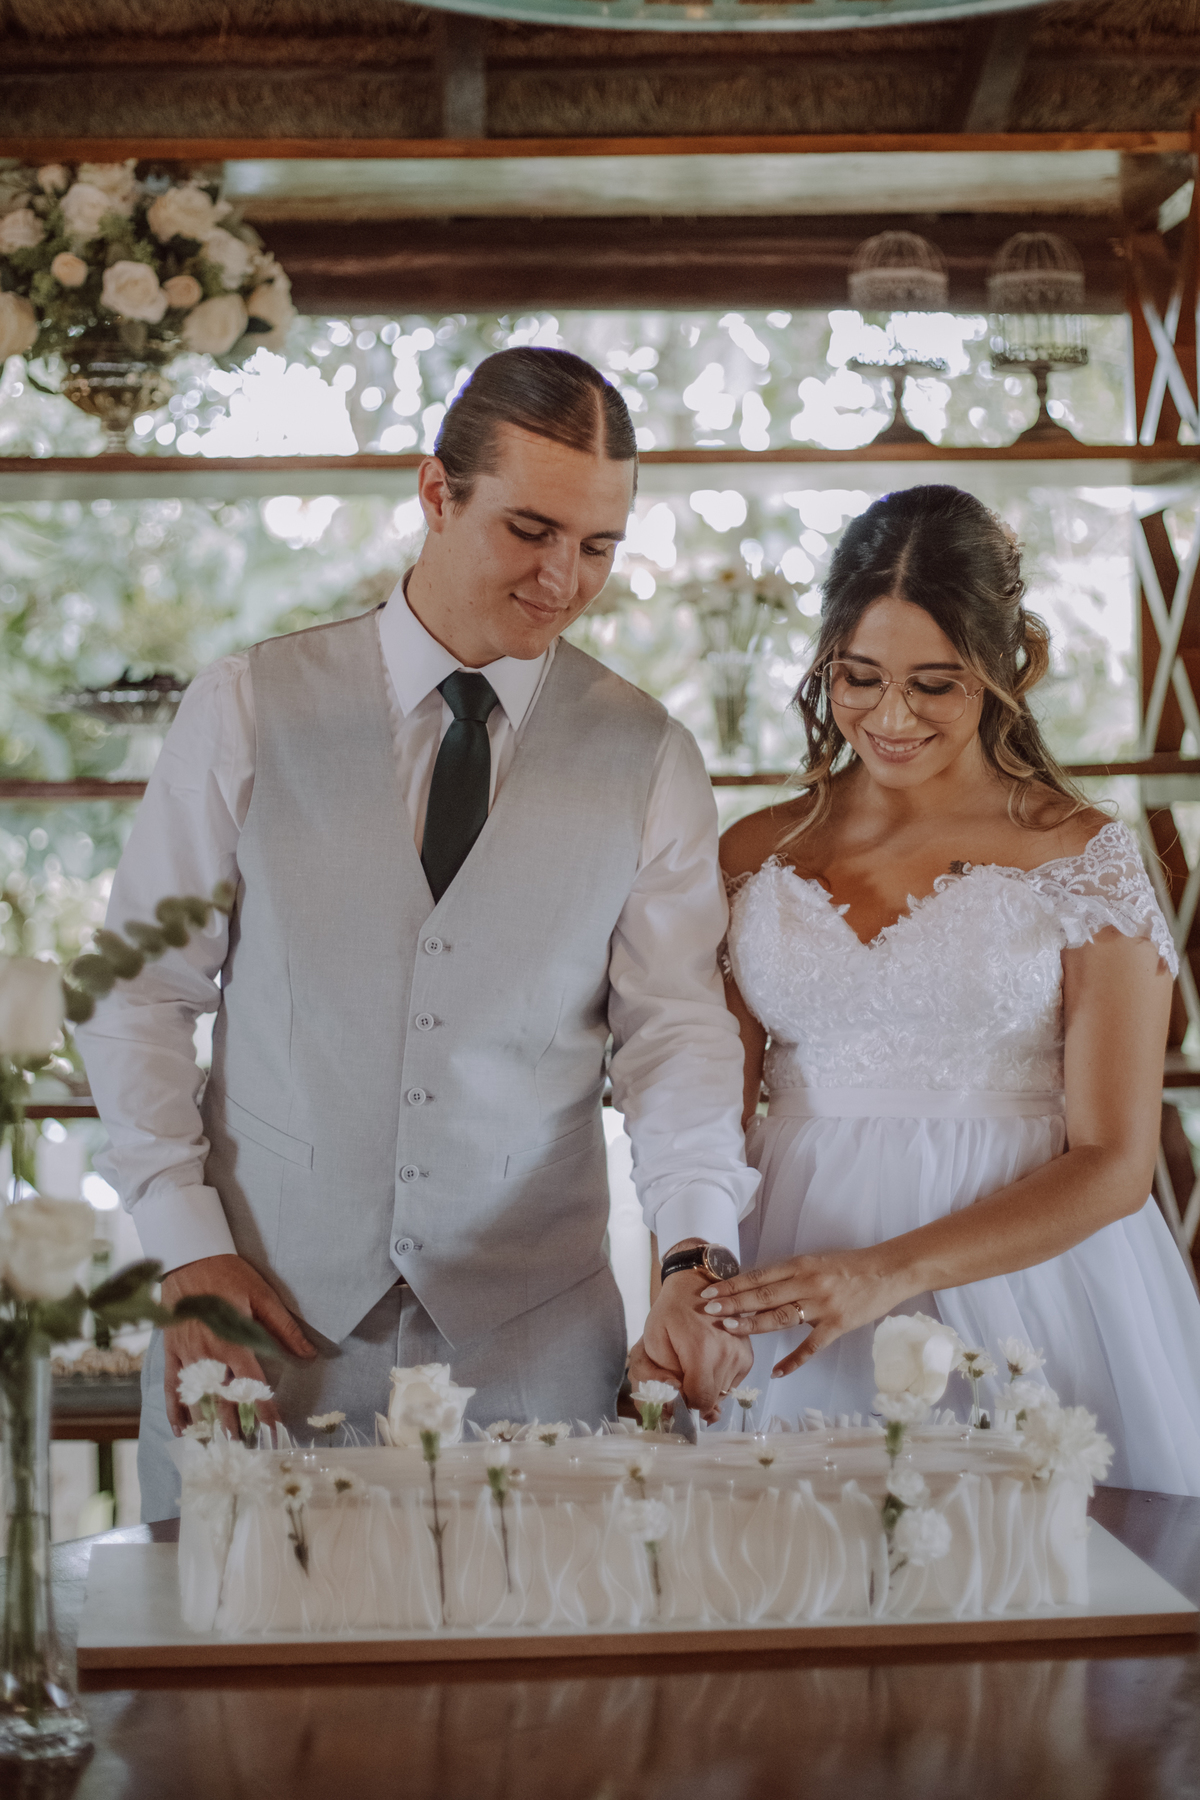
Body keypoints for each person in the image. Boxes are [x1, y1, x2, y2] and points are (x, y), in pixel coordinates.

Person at [79, 347, 755, 1520]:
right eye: (530, 530)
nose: (562, 579)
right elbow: (139, 992)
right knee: (232, 1639)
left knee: (541, 1642)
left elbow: (676, 1035)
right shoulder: (245, 706)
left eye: (598, 546)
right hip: (258, 1333)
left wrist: (695, 1249)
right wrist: (185, 1246)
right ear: (437, 492)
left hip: (536, 1353)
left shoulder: (649, 755)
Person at [703, 483, 1200, 1494]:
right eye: (859, 677)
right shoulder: (753, 853)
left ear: (1007, 667)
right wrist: (686, 1288)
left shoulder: (1081, 856)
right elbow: (703, 1117)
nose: (890, 717)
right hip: (787, 1276)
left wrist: (888, 1271)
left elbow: (1115, 1162)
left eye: (935, 683)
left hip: (1031, 1288)